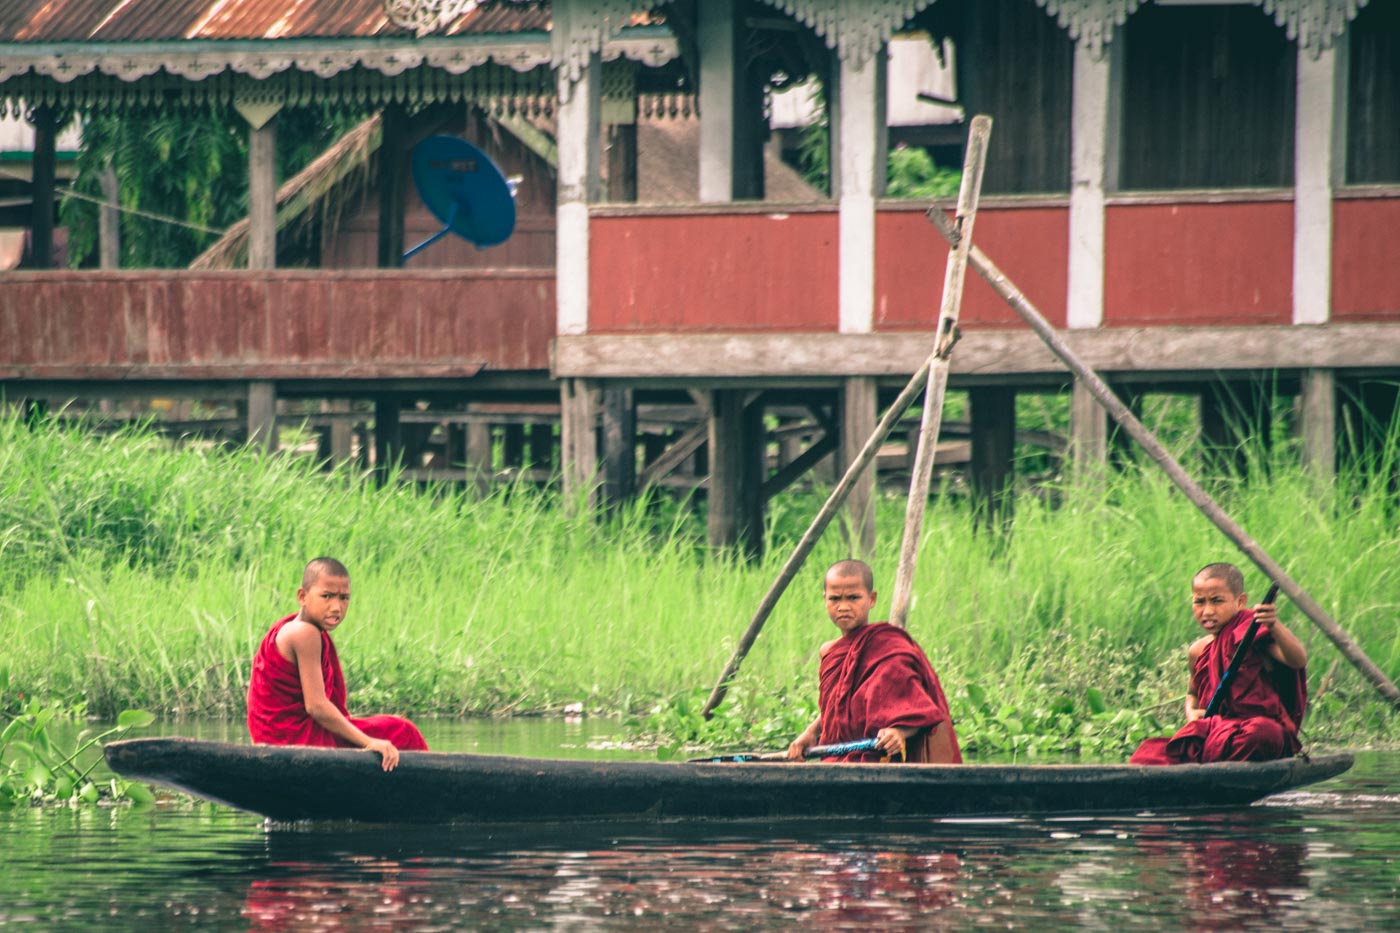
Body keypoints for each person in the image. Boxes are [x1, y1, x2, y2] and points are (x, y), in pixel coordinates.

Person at [247, 557, 428, 770]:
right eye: (327, 596)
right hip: (293, 739)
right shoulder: (304, 633)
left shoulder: (295, 627)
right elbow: (317, 706)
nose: (336, 607)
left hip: (273, 736)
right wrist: (369, 742)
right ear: (302, 596)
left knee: (390, 728)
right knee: (402, 731)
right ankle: (435, 789)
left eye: (344, 598)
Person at [1130, 562, 1307, 765]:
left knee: (1261, 734)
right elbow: (1193, 694)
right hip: (1216, 731)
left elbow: (1297, 660)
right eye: (1199, 602)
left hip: (1254, 731)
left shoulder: (1251, 635)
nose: (1207, 611)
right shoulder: (1198, 650)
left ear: (1241, 601)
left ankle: (1211, 764)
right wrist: (1192, 712)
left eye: (1216, 601)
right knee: (1146, 754)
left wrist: (1273, 625)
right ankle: (1210, 765)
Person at [786, 559, 961, 764]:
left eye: (853, 598)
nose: (843, 607)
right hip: (836, 761)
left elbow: (919, 709)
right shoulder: (828, 652)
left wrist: (899, 732)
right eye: (835, 599)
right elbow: (838, 709)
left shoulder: (889, 648)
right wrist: (810, 733)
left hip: (881, 760)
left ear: (871, 598)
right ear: (825, 599)